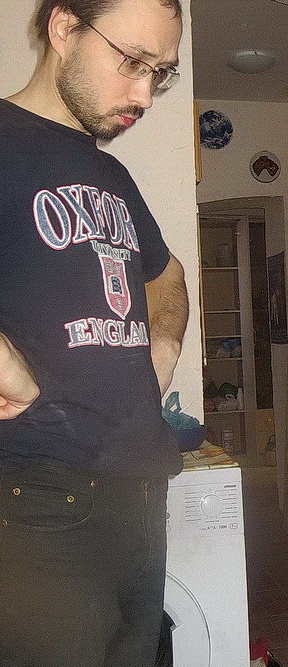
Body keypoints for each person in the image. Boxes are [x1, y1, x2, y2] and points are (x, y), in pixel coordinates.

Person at [0, 1, 188, 665]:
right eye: (132, 62)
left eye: (160, 73)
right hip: (38, 497)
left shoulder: (112, 175)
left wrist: (164, 345)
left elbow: (166, 276)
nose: (144, 95)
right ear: (64, 27)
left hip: (140, 488)